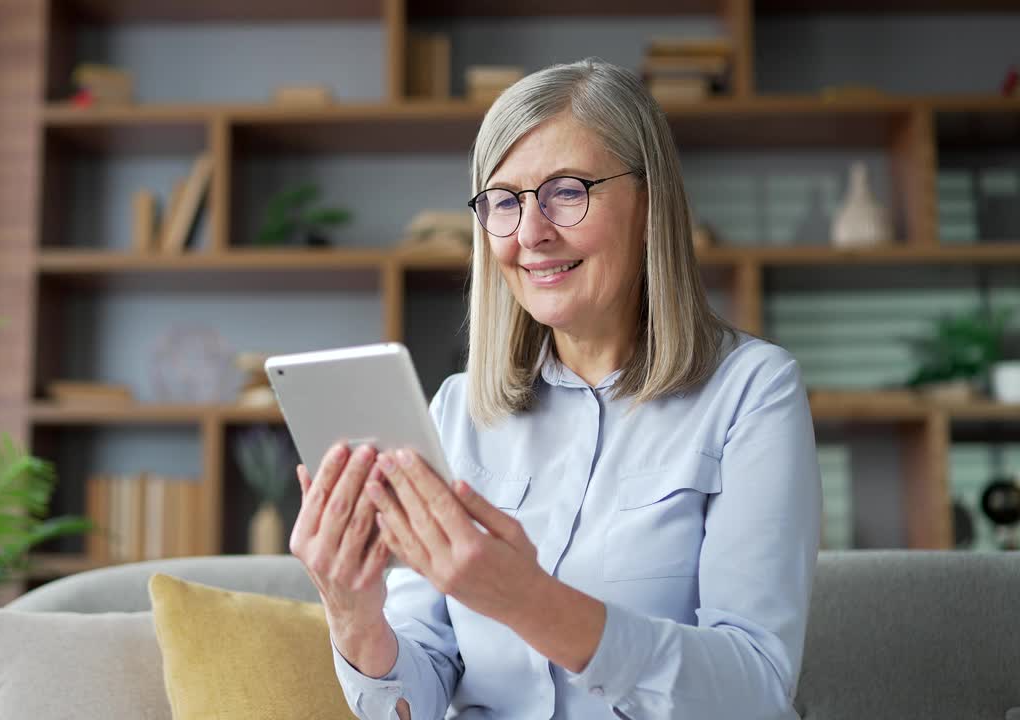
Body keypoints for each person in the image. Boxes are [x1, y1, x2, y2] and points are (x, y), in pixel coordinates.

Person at [289, 58, 822, 720]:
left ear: (650, 200)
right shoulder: (458, 411)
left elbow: (757, 694)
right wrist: (354, 615)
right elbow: (415, 698)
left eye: (567, 192)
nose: (531, 234)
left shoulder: (751, 391)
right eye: (504, 201)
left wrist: (528, 601)